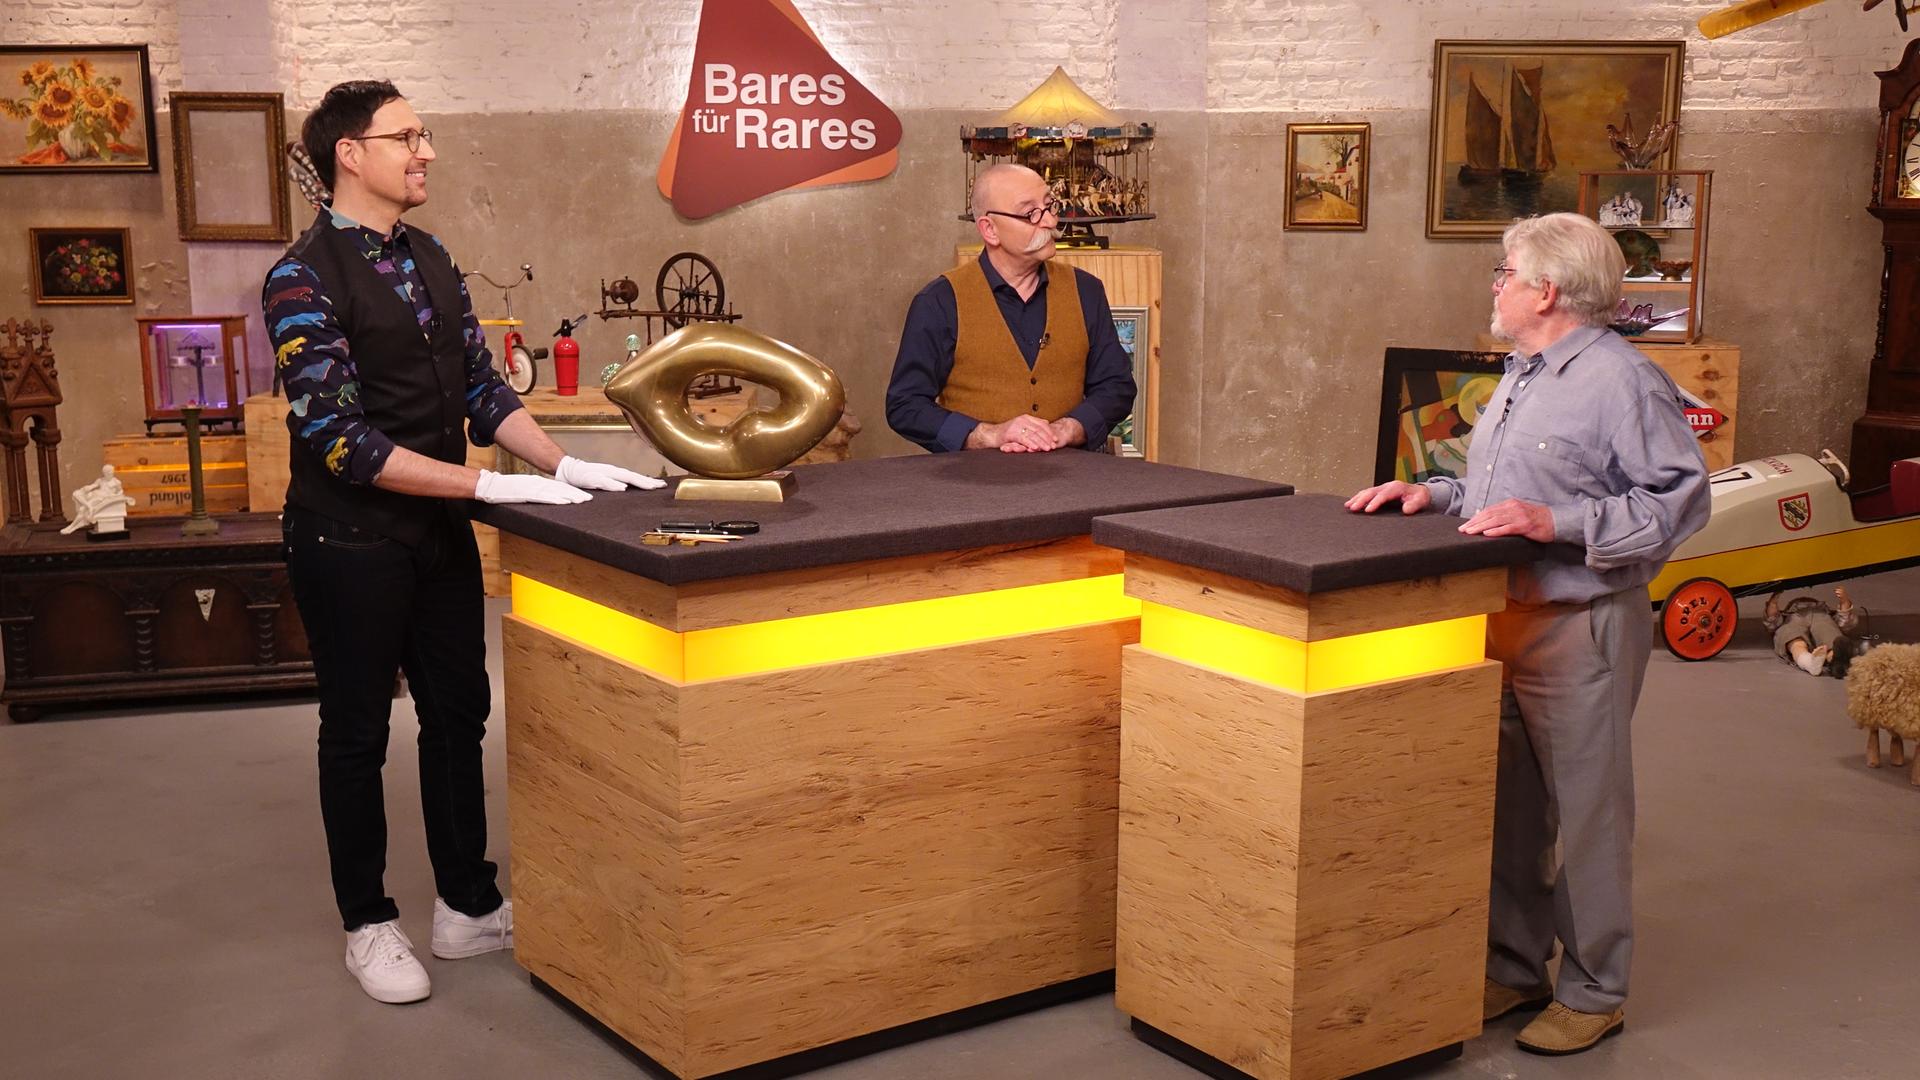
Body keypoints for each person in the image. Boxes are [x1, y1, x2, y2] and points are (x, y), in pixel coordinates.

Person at [262, 80, 661, 1005]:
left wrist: (563, 464)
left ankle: (466, 905)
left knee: (458, 714)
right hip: (347, 540)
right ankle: (367, 923)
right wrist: (486, 484)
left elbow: (483, 388)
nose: (427, 152)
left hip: (437, 536)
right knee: (357, 732)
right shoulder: (301, 278)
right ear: (349, 154)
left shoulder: (432, 256)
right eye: (407, 137)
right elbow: (342, 441)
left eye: (425, 134)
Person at [1346, 213, 1709, 1055]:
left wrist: (1559, 522)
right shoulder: (1521, 373)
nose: (1495, 285)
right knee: (1511, 808)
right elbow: (1501, 492)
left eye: (1504, 273)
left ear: (1546, 291)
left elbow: (1679, 500)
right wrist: (1433, 496)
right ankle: (1514, 970)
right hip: (1501, 617)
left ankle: (1595, 991)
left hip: (1582, 624)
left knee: (1588, 813)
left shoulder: (1623, 382)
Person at [885, 163, 1137, 454]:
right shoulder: (939, 301)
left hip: (1071, 474)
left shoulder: (1086, 291)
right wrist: (987, 435)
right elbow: (905, 405)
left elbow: (1117, 387)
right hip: (973, 478)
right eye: (1031, 213)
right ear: (990, 230)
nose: (1050, 221)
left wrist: (1068, 428)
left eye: (1049, 206)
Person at [1765, 586, 1868, 677]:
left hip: (1820, 614)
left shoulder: (1824, 613)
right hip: (1794, 616)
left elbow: (1844, 622)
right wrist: (1772, 604)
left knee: (1829, 634)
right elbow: (1772, 621)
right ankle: (1809, 662)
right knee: (1793, 638)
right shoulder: (1787, 616)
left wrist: (1845, 603)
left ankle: (1836, 661)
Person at [60, 464, 135, 535]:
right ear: (104, 473)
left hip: (101, 499)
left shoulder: (116, 482)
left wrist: (112, 496)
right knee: (76, 493)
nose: (110, 473)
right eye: (107, 472)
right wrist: (89, 487)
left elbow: (120, 492)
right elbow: (94, 485)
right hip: (95, 494)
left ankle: (72, 527)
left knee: (82, 510)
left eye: (111, 472)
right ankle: (88, 507)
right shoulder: (100, 480)